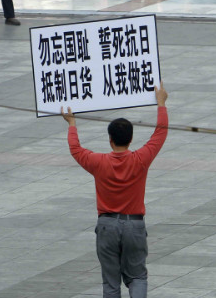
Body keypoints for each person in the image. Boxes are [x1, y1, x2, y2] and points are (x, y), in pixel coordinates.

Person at [62, 83, 169, 298]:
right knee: (137, 276)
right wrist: (161, 104)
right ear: (130, 139)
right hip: (134, 226)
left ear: (110, 140)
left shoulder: (98, 162)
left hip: (106, 226)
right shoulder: (141, 159)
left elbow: (76, 149)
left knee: (110, 283)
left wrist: (72, 124)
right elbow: (160, 133)